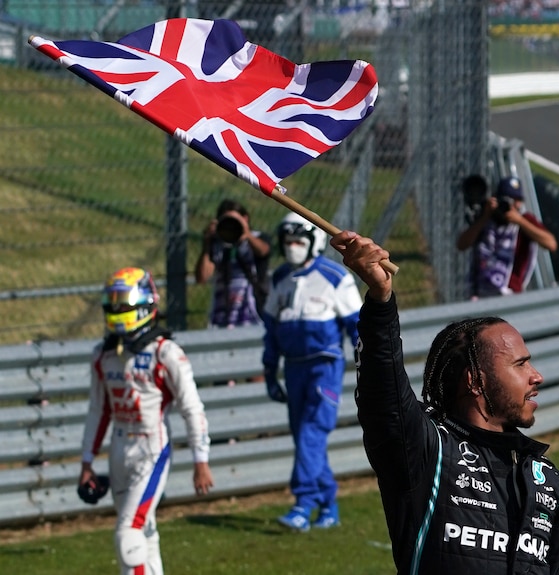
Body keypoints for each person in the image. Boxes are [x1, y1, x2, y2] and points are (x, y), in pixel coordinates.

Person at [330, 230, 559, 574]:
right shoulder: (430, 451)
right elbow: (385, 397)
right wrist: (381, 301)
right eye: (520, 364)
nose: (536, 376)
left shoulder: (545, 479)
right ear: (474, 380)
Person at [80, 267, 213, 575]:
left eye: (122, 303)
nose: (115, 310)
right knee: (144, 531)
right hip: (118, 448)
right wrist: (87, 460)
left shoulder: (165, 352)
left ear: (144, 304)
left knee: (128, 533)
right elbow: (98, 410)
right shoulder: (103, 354)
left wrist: (200, 459)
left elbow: (192, 407)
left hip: (152, 448)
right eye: (111, 303)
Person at [262, 212, 362, 532]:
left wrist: (367, 368)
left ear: (313, 243)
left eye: (298, 242)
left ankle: (303, 504)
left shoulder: (335, 277)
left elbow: (357, 329)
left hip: (325, 366)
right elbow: (272, 330)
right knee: (306, 439)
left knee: (311, 433)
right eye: (287, 242)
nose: (292, 248)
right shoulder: (279, 279)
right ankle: (329, 505)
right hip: (293, 367)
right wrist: (269, 371)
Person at [457, 176, 557, 299]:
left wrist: (520, 221)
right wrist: (484, 217)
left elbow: (551, 244)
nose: (511, 205)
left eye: (516, 200)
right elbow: (461, 244)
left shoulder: (525, 220)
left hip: (510, 295)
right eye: (507, 199)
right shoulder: (486, 218)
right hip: (481, 294)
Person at [195, 199, 272, 328]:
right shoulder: (218, 244)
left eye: (235, 221)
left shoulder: (256, 238)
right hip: (222, 314)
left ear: (245, 219)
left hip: (254, 311)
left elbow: (264, 251)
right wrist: (207, 243)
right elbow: (202, 277)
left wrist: (245, 233)